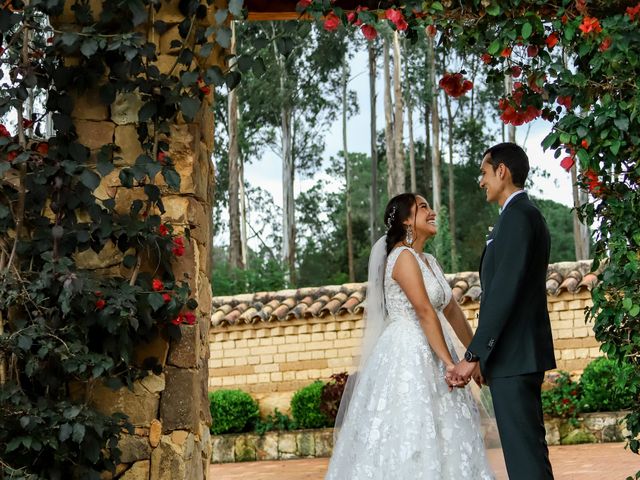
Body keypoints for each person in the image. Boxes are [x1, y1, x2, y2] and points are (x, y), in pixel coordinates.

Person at [325, 193, 495, 480]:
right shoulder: (402, 257)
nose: (432, 212)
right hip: (408, 353)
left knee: (446, 433)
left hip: (436, 349)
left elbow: (452, 312)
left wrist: (475, 354)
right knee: (411, 430)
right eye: (423, 207)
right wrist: (452, 364)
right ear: (406, 220)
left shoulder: (428, 260)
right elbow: (424, 311)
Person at [448, 142, 556, 479]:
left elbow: (504, 292)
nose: (481, 181)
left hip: (516, 356)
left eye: (483, 172)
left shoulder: (519, 216)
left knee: (525, 459)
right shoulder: (517, 217)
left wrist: (474, 355)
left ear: (501, 171)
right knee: (527, 454)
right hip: (514, 356)